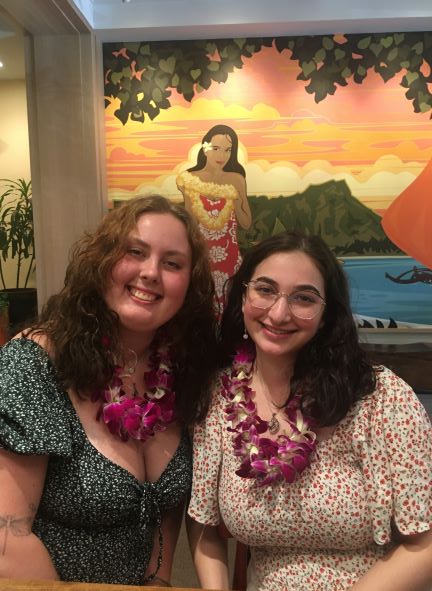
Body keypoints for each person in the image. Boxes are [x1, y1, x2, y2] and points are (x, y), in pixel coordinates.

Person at [187, 230, 432, 591]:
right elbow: (203, 525)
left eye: (304, 297)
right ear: (243, 296)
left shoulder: (381, 397)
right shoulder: (220, 396)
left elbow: (425, 544)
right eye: (265, 289)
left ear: (326, 314)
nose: (279, 313)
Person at [0, 195, 217, 586]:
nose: (151, 272)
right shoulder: (36, 362)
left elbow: (163, 509)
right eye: (135, 251)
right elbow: (8, 540)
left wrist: (158, 583)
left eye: (172, 263)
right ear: (102, 261)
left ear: (190, 284)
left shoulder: (182, 368)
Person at [176, 124, 252, 308]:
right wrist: (188, 196)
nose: (221, 155)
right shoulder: (190, 178)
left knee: (231, 305)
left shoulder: (236, 179)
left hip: (230, 256)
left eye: (227, 150)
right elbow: (190, 224)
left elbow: (246, 223)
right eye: (216, 148)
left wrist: (235, 201)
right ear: (205, 148)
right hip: (201, 257)